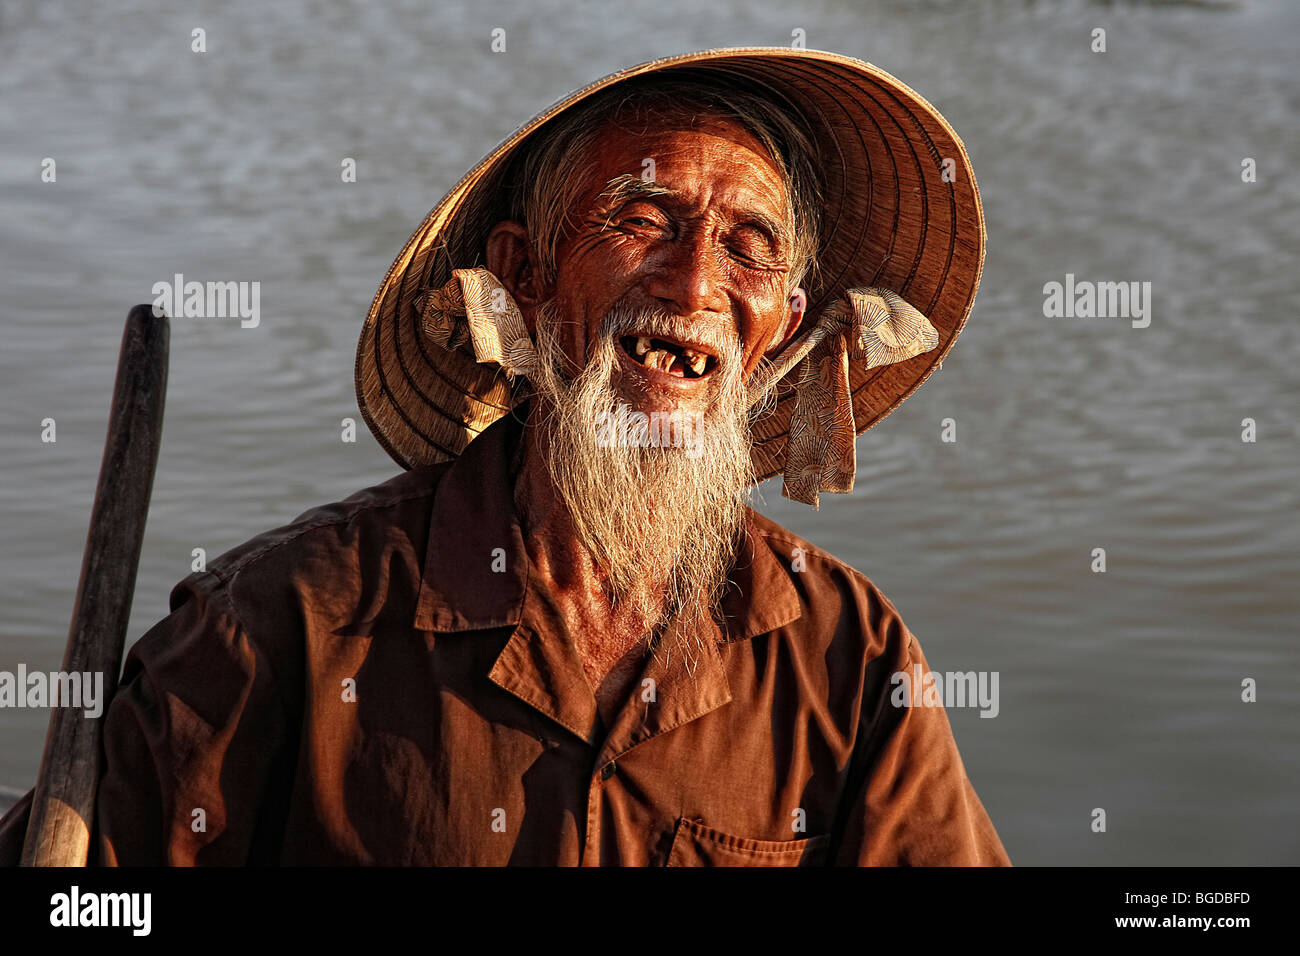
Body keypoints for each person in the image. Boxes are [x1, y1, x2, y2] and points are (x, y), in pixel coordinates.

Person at [1, 48, 1009, 865]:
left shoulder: (847, 656)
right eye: (642, 218)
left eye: (748, 243)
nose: (696, 277)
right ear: (524, 277)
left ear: (778, 334)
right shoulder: (286, 622)